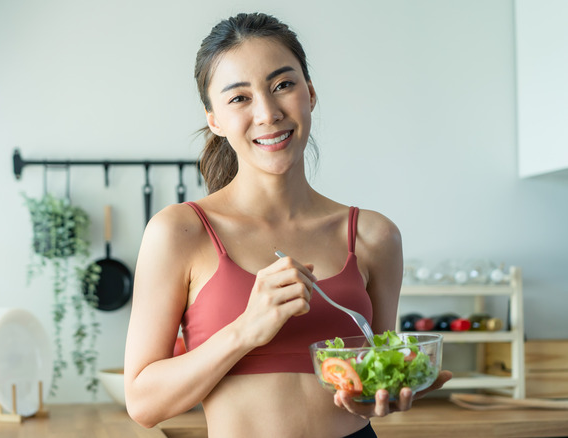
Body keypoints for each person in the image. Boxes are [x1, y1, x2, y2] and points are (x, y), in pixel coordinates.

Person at [124, 12, 452, 437]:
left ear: (310, 94)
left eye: (283, 85)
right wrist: (246, 329)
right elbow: (143, 404)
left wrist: (387, 391)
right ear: (215, 121)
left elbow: (375, 373)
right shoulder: (179, 233)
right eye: (239, 98)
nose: (267, 112)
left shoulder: (374, 236)